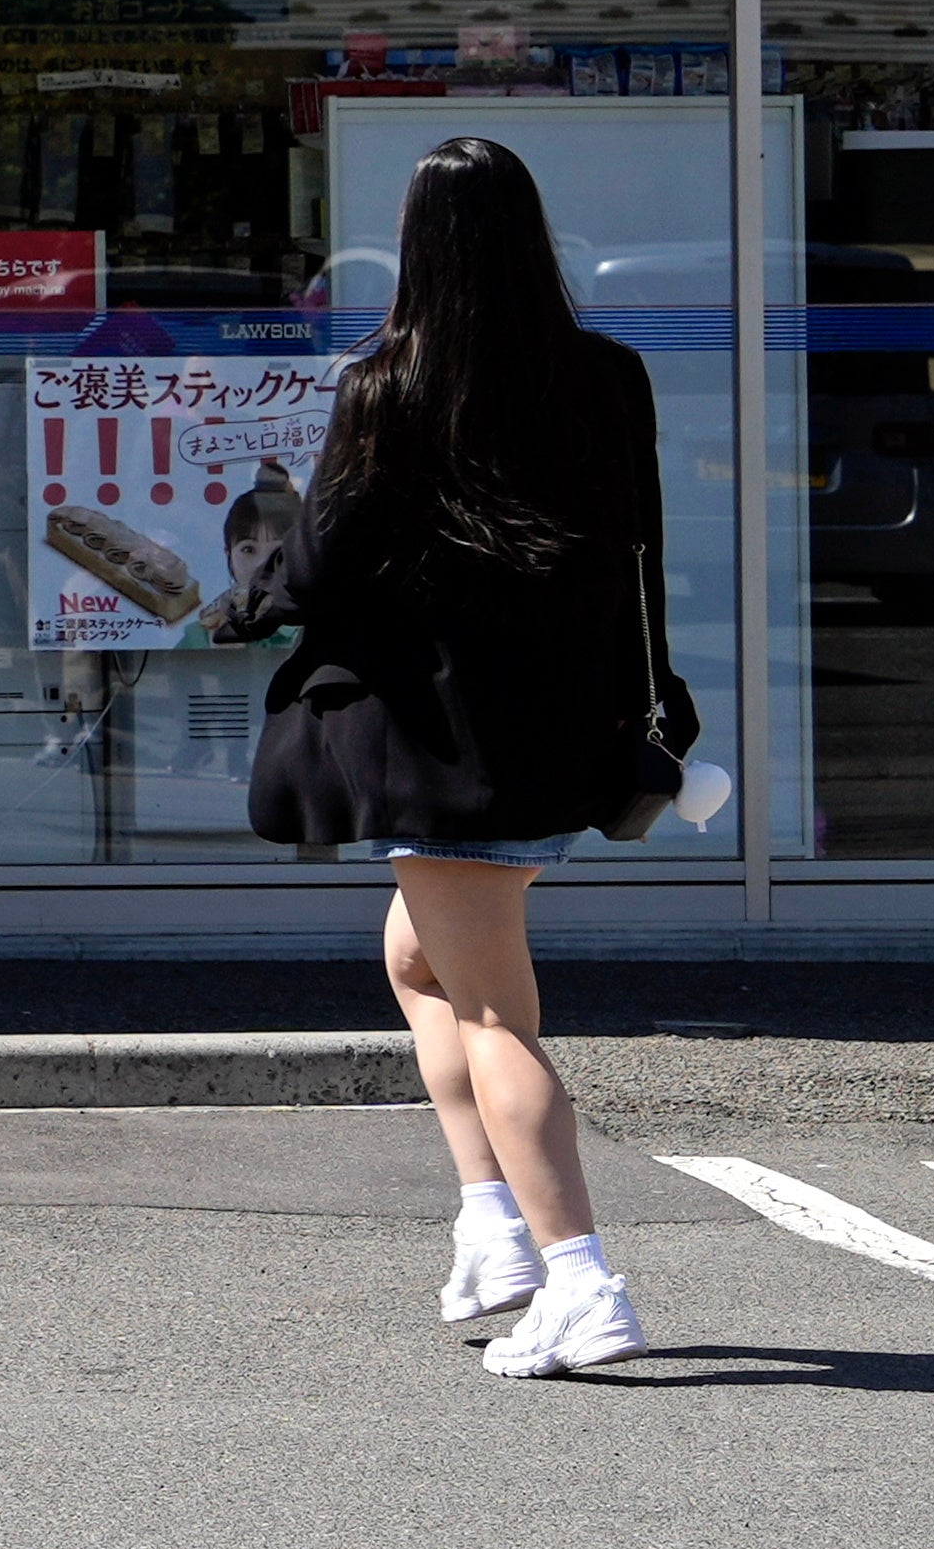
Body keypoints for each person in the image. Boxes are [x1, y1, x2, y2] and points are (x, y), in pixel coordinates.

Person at [227, 136, 688, 1382]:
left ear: (417, 247)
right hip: (557, 725)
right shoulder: (608, 375)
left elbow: (317, 567)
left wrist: (258, 582)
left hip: (437, 738)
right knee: (415, 954)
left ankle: (580, 1273)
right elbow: (637, 550)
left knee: (493, 1010)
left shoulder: (387, 382)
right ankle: (492, 1225)